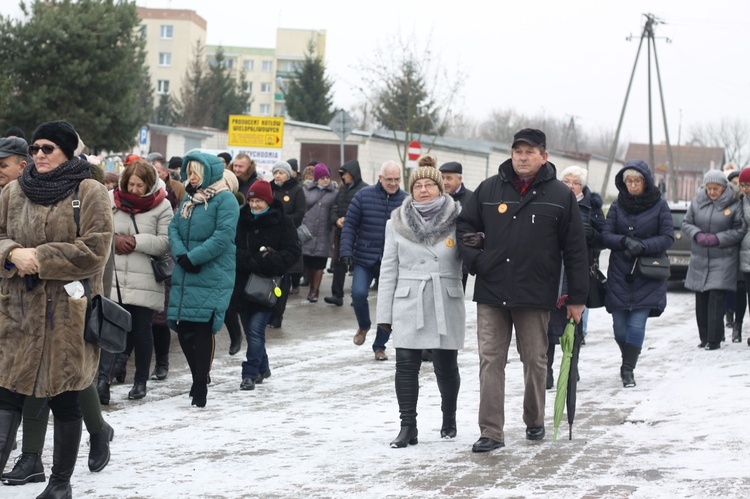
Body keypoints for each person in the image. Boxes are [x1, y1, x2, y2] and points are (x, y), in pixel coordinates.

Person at [456, 128, 588, 452]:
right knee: (490, 361)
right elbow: (464, 228)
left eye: (530, 152)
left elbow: (575, 249)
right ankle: (491, 431)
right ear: (511, 153)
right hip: (491, 290)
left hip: (535, 292)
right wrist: (479, 262)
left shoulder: (560, 195)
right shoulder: (489, 189)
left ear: (544, 156)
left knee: (535, 360)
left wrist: (578, 298)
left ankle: (535, 419)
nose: (523, 157)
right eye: (518, 151)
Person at [0, 120, 113, 497]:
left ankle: (59, 484)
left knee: (65, 397)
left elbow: (96, 250)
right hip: (18, 311)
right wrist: (12, 253)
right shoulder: (15, 191)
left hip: (67, 313)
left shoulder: (89, 190)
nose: (39, 155)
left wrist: (41, 257)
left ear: (67, 150)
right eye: (34, 149)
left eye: (47, 148)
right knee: (7, 392)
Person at [375, 156, 465, 448]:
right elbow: (388, 269)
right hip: (408, 298)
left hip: (445, 298)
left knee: (445, 365)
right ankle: (407, 426)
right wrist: (383, 315)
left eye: (429, 185)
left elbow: (472, 260)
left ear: (441, 188)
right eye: (418, 185)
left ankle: (448, 415)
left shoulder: (458, 219)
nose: (423, 190)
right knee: (405, 364)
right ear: (410, 190)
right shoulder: (396, 222)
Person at [168, 152, 239, 408]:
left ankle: (200, 383)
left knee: (202, 328)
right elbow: (173, 228)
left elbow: (223, 236)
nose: (192, 177)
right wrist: (181, 255)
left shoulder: (225, 200)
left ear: (209, 172)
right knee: (184, 328)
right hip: (187, 269)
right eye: (189, 173)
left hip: (212, 271)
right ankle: (199, 374)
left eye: (196, 172)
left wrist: (195, 257)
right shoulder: (189, 199)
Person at [98, 160, 173, 402]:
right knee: (109, 331)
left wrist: (134, 242)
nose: (134, 189)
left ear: (149, 184)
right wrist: (114, 240)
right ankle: (103, 381)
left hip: (145, 278)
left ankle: (140, 381)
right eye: (130, 184)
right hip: (114, 276)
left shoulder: (163, 206)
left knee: (142, 331)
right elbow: (97, 230)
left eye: (140, 185)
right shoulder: (110, 199)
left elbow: (165, 242)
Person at [601, 161, 675, 387]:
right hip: (620, 273)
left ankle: (628, 369)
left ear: (646, 182)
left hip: (647, 273)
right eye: (629, 181)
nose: (633, 185)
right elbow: (605, 235)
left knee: (636, 324)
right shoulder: (617, 206)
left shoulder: (660, 206)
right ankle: (628, 357)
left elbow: (667, 236)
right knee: (619, 326)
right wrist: (624, 241)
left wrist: (643, 245)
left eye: (637, 181)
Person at [234, 180, 300, 391]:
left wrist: (268, 261)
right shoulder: (241, 219)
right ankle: (263, 366)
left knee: (255, 331)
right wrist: (249, 260)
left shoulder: (283, 221)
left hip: (270, 285)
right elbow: (231, 247)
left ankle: (249, 374)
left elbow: (292, 251)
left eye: (259, 201)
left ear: (268, 201)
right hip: (243, 285)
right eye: (252, 200)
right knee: (251, 331)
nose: (254, 205)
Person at [339, 160, 407, 361]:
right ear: (380, 178)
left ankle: (380, 346)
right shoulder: (363, 196)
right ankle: (364, 325)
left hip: (392, 262)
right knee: (359, 294)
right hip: (365, 257)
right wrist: (346, 251)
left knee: (388, 304)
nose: (393, 183)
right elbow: (350, 225)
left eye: (397, 180)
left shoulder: (406, 201)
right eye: (389, 180)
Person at [546, 165, 605, 389]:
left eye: (576, 182)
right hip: (552, 271)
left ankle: (572, 366)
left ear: (583, 186)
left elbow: (605, 237)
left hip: (577, 271)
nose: (571, 186)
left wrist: (592, 235)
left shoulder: (592, 207)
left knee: (575, 322)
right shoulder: (552, 200)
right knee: (549, 323)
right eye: (567, 181)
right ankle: (547, 370)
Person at [682, 169, 745, 351]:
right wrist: (697, 234)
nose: (712, 192)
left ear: (724, 187)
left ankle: (714, 339)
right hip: (700, 258)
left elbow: (739, 230)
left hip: (723, 259)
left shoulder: (733, 204)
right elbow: (687, 223)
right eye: (709, 188)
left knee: (716, 298)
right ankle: (704, 337)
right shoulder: (697, 202)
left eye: (716, 188)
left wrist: (718, 238)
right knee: (701, 298)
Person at [324, 159, 368, 306]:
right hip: (341, 233)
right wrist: (336, 220)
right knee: (338, 263)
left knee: (357, 265)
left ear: (353, 174)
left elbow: (366, 212)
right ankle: (337, 295)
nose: (343, 177)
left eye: (346, 174)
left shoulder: (364, 190)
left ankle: (357, 296)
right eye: (342, 174)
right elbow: (334, 208)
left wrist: (348, 220)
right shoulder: (342, 189)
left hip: (358, 233)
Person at [269, 160, 305, 327]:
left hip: (287, 239)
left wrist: (280, 220)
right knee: (268, 277)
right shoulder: (269, 188)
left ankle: (277, 316)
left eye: (281, 173)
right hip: (268, 238)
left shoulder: (297, 190)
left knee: (283, 279)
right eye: (275, 172)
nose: (277, 176)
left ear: (288, 174)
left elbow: (299, 214)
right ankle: (267, 311)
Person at [301, 163, 338, 303]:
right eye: (322, 177)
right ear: (316, 178)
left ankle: (315, 290)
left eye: (327, 177)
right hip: (308, 231)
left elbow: (335, 209)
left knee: (320, 264)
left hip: (324, 232)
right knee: (309, 263)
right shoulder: (307, 190)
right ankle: (311, 285)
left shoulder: (334, 193)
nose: (326, 180)